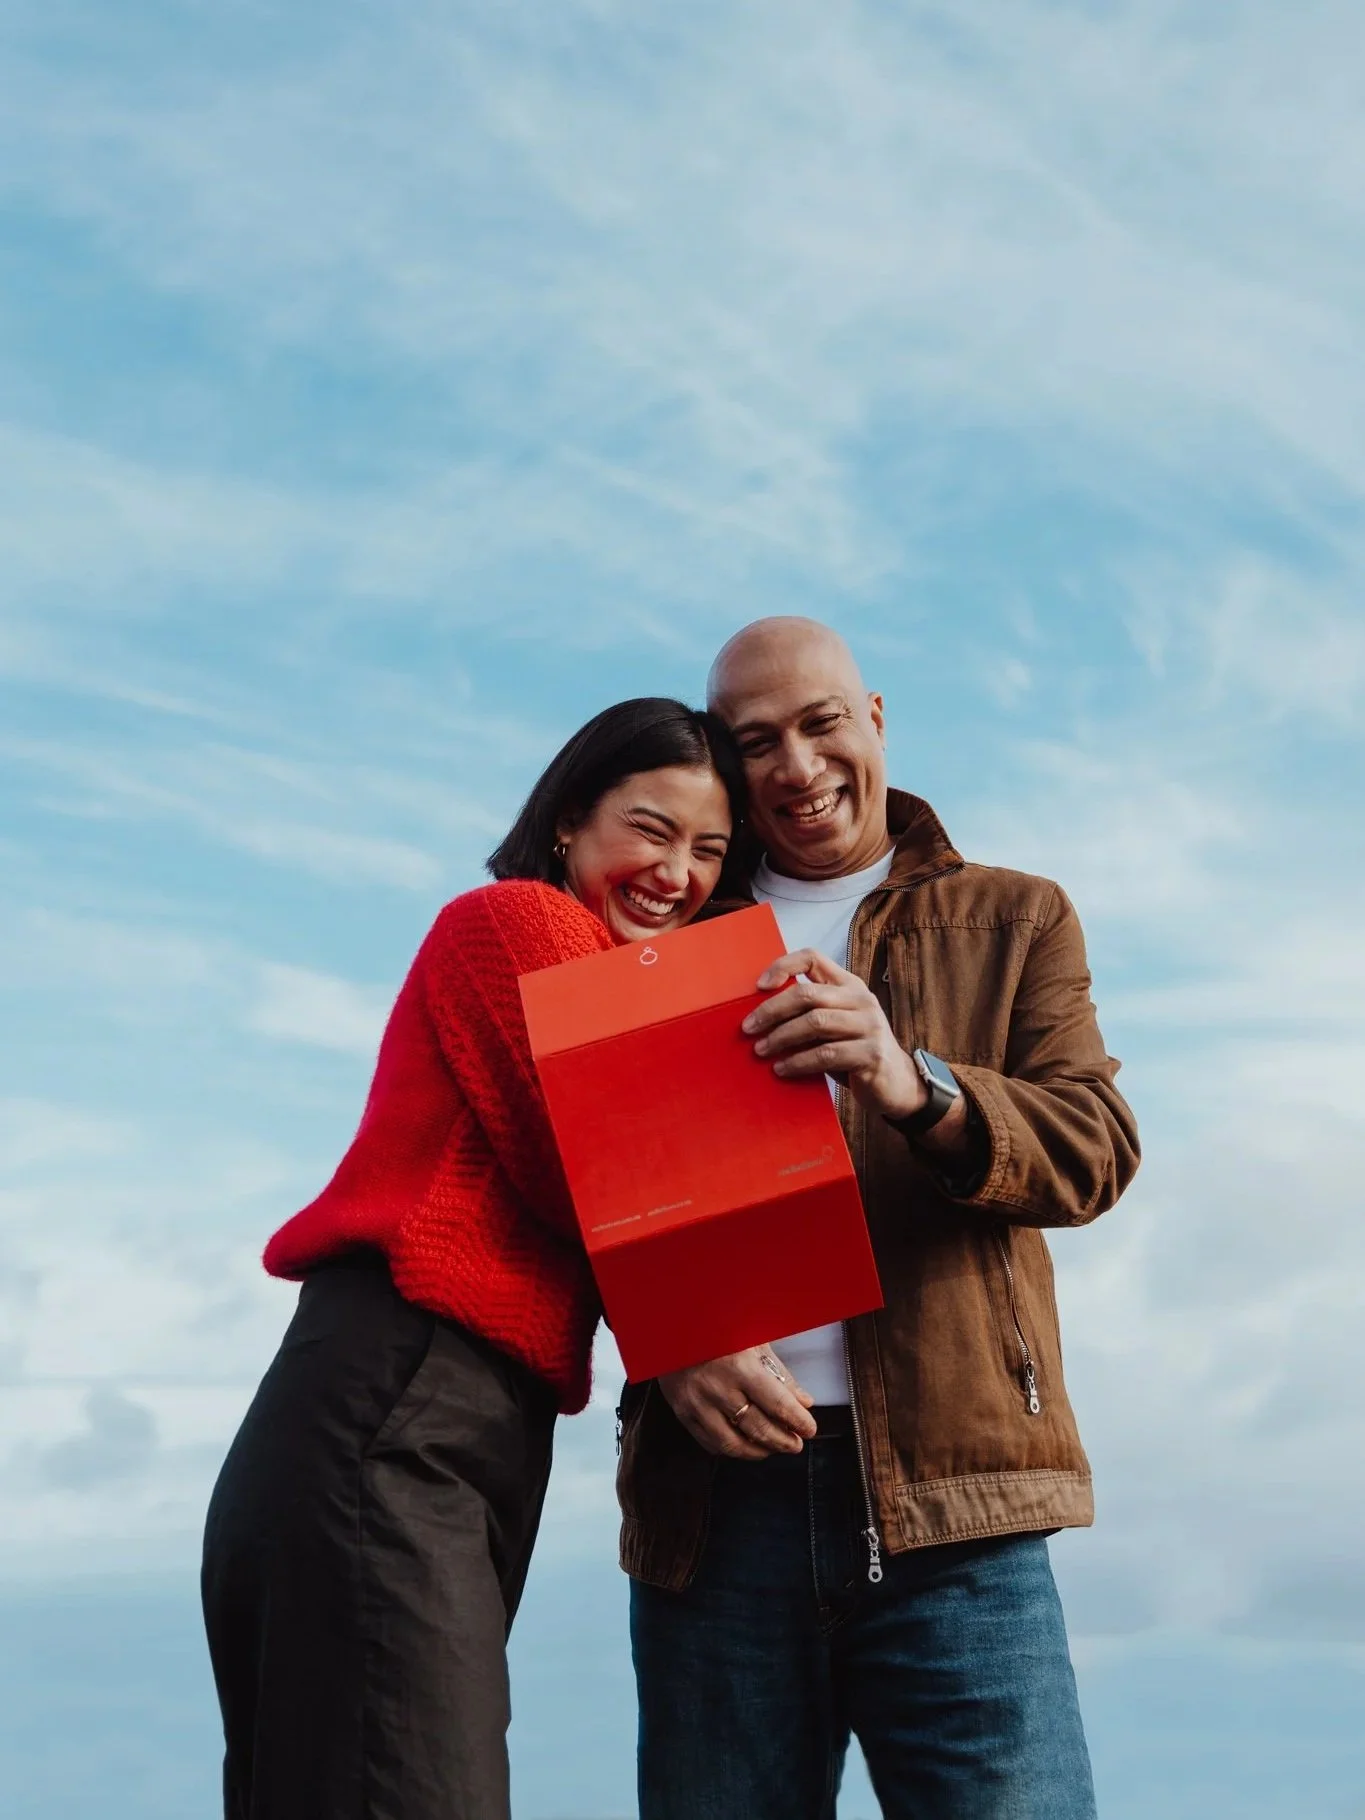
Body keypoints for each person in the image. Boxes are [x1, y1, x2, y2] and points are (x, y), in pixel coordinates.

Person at [620, 620, 1141, 1820]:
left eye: (820, 723)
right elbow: (577, 1188)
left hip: (964, 1512)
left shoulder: (1018, 917)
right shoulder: (661, 934)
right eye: (756, 742)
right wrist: (669, 1332)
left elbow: (1097, 1149)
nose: (796, 766)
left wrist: (916, 1083)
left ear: (877, 720)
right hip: (714, 1514)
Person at [201, 697, 745, 1820]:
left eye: (708, 850)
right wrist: (695, 1329)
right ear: (566, 825)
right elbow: (589, 1155)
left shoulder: (621, 989)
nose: (675, 872)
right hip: (397, 1391)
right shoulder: (522, 923)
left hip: (456, 1426)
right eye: (650, 827)